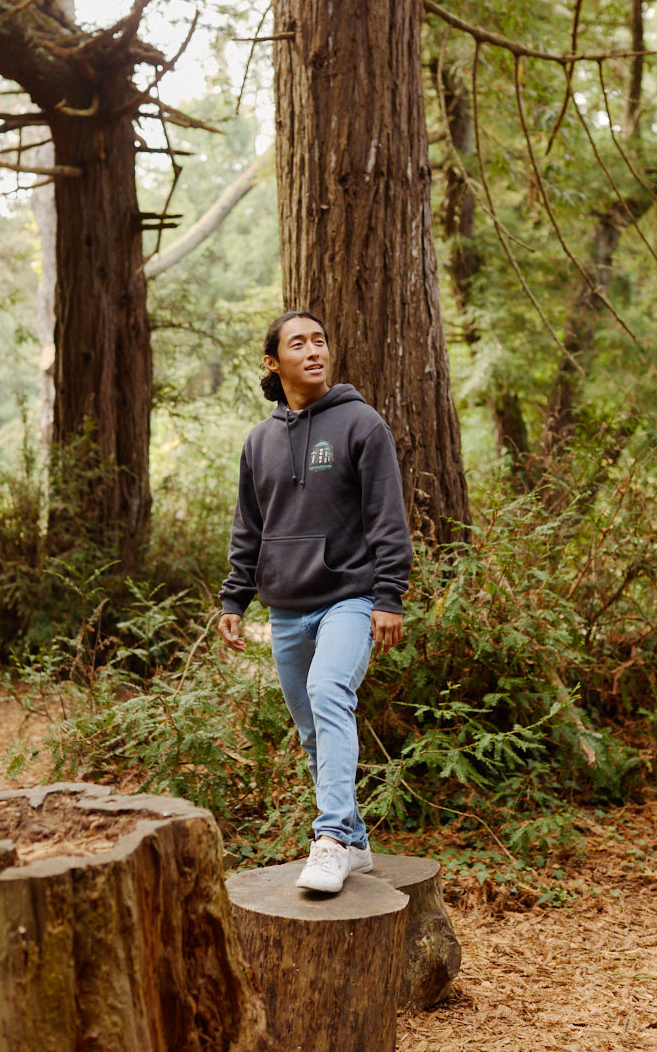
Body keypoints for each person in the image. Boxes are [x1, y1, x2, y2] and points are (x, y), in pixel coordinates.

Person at [218, 310, 412, 894]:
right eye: (298, 343)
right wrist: (234, 598)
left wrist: (389, 595)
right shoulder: (260, 442)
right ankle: (356, 842)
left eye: (320, 340)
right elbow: (249, 528)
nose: (313, 351)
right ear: (273, 362)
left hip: (349, 598)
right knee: (313, 732)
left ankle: (329, 840)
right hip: (285, 608)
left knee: (330, 693)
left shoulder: (361, 424)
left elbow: (387, 517)